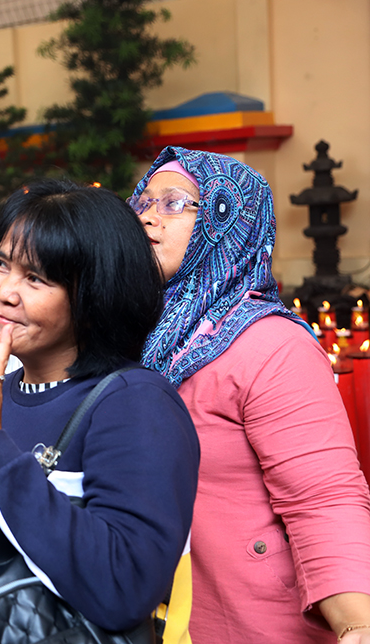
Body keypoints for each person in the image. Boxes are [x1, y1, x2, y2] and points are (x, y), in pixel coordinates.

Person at [0, 179, 200, 643]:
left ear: (95, 297)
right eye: (2, 263)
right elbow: (12, 553)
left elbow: (124, 588)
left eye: (36, 278)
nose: (4, 291)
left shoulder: (134, 402)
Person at [132, 146, 370, 644]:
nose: (149, 217)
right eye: (142, 201)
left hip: (248, 622)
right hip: (148, 620)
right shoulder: (130, 334)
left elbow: (323, 498)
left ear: (227, 221)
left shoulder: (270, 344)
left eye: (174, 202)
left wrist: (357, 622)